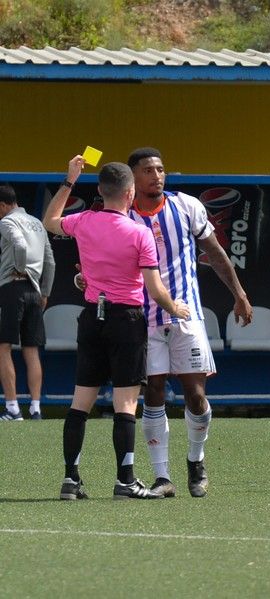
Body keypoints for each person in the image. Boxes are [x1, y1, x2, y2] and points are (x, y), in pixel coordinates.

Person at [43, 155, 190, 500]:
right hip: (126, 321)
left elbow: (50, 221)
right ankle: (125, 481)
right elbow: (155, 289)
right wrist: (175, 307)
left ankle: (70, 480)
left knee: (80, 402)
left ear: (100, 190)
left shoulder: (83, 221)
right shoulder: (139, 233)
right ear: (130, 194)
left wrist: (69, 180)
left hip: (92, 317)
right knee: (125, 404)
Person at [126, 147, 253, 498]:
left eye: (161, 169)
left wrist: (239, 294)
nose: (157, 175)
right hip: (143, 318)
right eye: (149, 170)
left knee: (195, 395)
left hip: (187, 316)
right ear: (133, 176)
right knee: (152, 392)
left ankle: (196, 460)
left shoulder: (186, 205)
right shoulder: (122, 213)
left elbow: (214, 252)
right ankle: (162, 476)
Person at [0, 185, 55, 421]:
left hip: (13, 287)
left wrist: (20, 270)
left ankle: (12, 409)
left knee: (2, 347)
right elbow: (50, 263)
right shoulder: (37, 223)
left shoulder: (6, 222)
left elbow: (20, 246)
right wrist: (44, 292)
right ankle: (35, 407)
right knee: (31, 349)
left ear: (2, 205)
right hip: (35, 292)